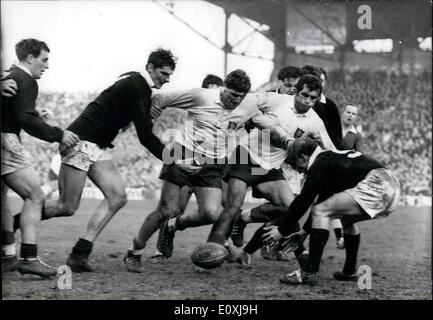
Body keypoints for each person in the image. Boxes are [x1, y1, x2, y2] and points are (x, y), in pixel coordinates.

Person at [12, 48, 177, 273]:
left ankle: (80, 254)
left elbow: (124, 112)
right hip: (80, 142)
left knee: (117, 197)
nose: (167, 80)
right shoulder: (137, 85)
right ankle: (9, 227)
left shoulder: (133, 80)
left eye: (169, 75)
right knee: (66, 206)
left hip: (98, 146)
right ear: (150, 68)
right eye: (164, 74)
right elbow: (146, 136)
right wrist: (172, 159)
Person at [123, 70, 253, 273]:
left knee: (211, 213)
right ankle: (135, 251)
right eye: (233, 95)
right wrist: (150, 114)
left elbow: (265, 117)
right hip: (182, 152)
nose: (236, 100)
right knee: (165, 211)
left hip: (212, 162)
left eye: (241, 97)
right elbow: (160, 98)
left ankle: (172, 226)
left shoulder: (248, 105)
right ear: (223, 88)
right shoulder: (201, 96)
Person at [204, 74, 336, 269]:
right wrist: (236, 119)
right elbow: (248, 99)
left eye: (312, 98)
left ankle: (302, 257)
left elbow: (330, 148)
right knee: (233, 203)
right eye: (304, 95)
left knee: (290, 208)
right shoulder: (275, 101)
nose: (307, 101)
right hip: (246, 156)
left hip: (271, 167)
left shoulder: (315, 121)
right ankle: (210, 250)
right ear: (295, 91)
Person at [261, 137, 400, 285]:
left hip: (378, 185)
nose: (300, 171)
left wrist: (281, 231)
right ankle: (349, 272)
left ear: (303, 157)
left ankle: (309, 272)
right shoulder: (329, 159)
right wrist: (304, 232)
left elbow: (304, 201)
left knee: (321, 211)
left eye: (297, 166)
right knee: (344, 219)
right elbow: (324, 200)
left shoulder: (320, 164)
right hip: (392, 189)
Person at [1, 38, 80, 277]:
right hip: (5, 140)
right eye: (44, 60)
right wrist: (59, 134)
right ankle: (29, 257)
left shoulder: (10, 75)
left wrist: (35, 113)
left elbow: (15, 111)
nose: (46, 65)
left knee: (2, 198)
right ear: (30, 58)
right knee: (35, 196)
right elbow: (23, 120)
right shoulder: (25, 80)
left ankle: (7, 255)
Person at [149, 74, 225, 263]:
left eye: (216, 88)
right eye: (209, 88)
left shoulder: (228, 111)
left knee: (214, 210)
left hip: (209, 164)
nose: (212, 91)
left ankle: (218, 244)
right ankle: (161, 249)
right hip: (186, 158)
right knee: (174, 209)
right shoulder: (199, 103)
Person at [300, 65, 346, 249]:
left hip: (322, 158)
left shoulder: (330, 105)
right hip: (294, 158)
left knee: (320, 205)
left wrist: (335, 158)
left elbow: (337, 137)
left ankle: (302, 240)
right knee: (289, 202)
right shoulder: (293, 101)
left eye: (321, 80)